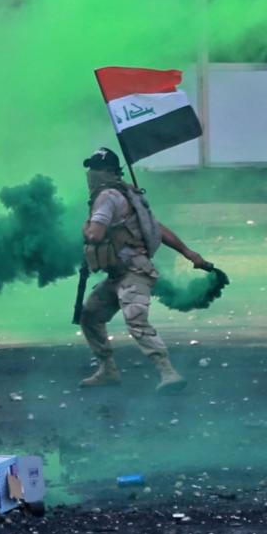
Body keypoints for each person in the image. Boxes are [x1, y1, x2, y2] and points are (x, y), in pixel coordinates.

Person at [77, 147, 209, 394]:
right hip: (119, 274)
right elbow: (156, 227)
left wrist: (86, 227)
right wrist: (188, 252)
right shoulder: (127, 194)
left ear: (106, 171)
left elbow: (95, 234)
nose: (91, 174)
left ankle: (168, 373)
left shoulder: (106, 197)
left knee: (136, 320)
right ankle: (108, 370)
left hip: (133, 273)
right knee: (90, 315)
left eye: (95, 169)